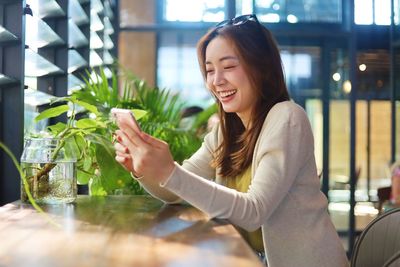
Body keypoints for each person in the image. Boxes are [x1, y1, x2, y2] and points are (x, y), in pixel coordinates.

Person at [114, 14, 348, 267]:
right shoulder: (226, 133)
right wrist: (146, 170)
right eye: (210, 70)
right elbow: (174, 193)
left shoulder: (288, 117)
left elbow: (254, 211)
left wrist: (169, 172)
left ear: (262, 67)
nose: (216, 81)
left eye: (228, 67)